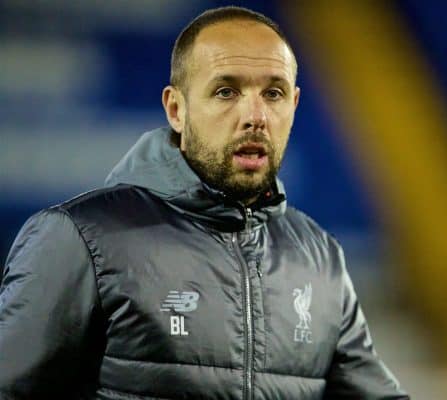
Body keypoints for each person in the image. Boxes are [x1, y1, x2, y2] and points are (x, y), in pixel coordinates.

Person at [0, 6, 409, 400]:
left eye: (274, 93)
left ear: (295, 105)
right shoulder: (80, 239)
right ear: (177, 110)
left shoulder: (321, 259)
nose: (255, 115)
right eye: (226, 91)